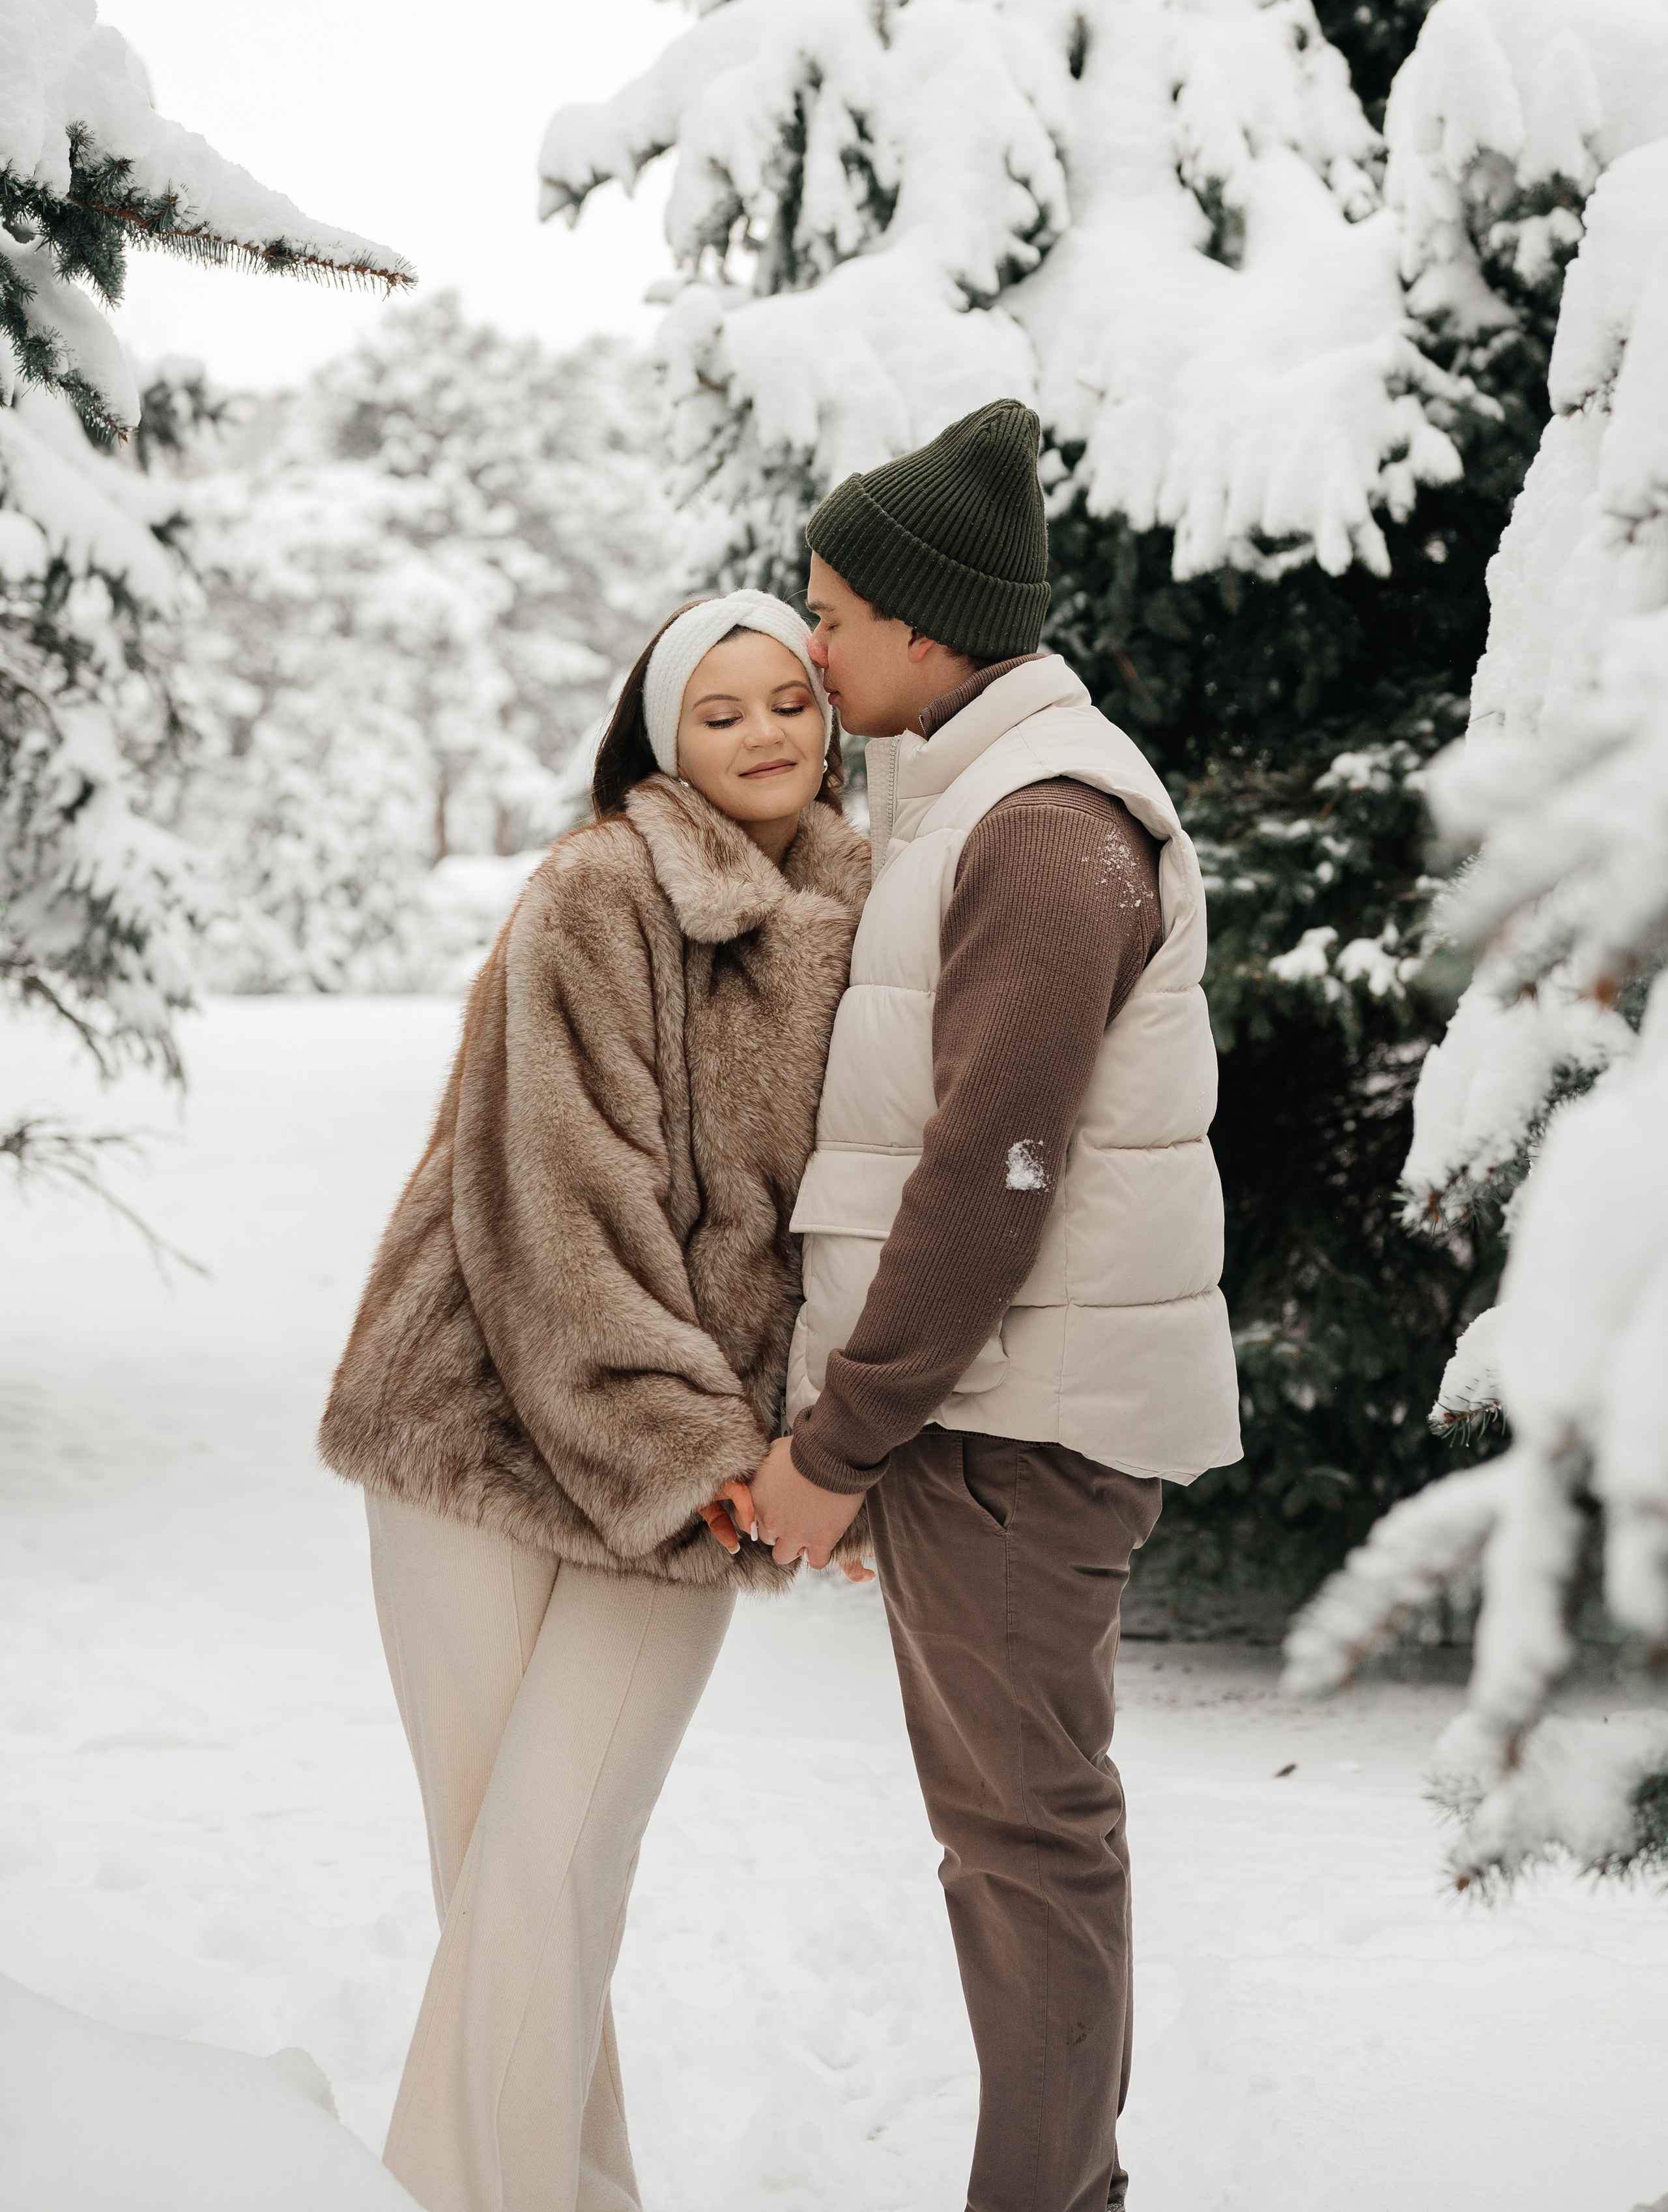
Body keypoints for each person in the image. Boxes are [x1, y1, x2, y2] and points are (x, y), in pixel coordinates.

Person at [747, 399, 1244, 2212]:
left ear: (929, 629)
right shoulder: (981, 803)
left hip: (1012, 1435)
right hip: (988, 1425)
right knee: (1012, 1842)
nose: (810, 647)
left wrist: (842, 1440)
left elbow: (991, 1178)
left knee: (1025, 1845)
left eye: (833, 611)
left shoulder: (1047, 828)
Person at [318, 591, 870, 2212]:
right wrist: (691, 1445)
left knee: (548, 1875)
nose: (767, 732)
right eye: (723, 711)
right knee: (510, 1876)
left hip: (676, 1460)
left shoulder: (872, 909)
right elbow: (564, 1199)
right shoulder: (598, 890)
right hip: (476, 1434)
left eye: (790, 699)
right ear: (657, 736)